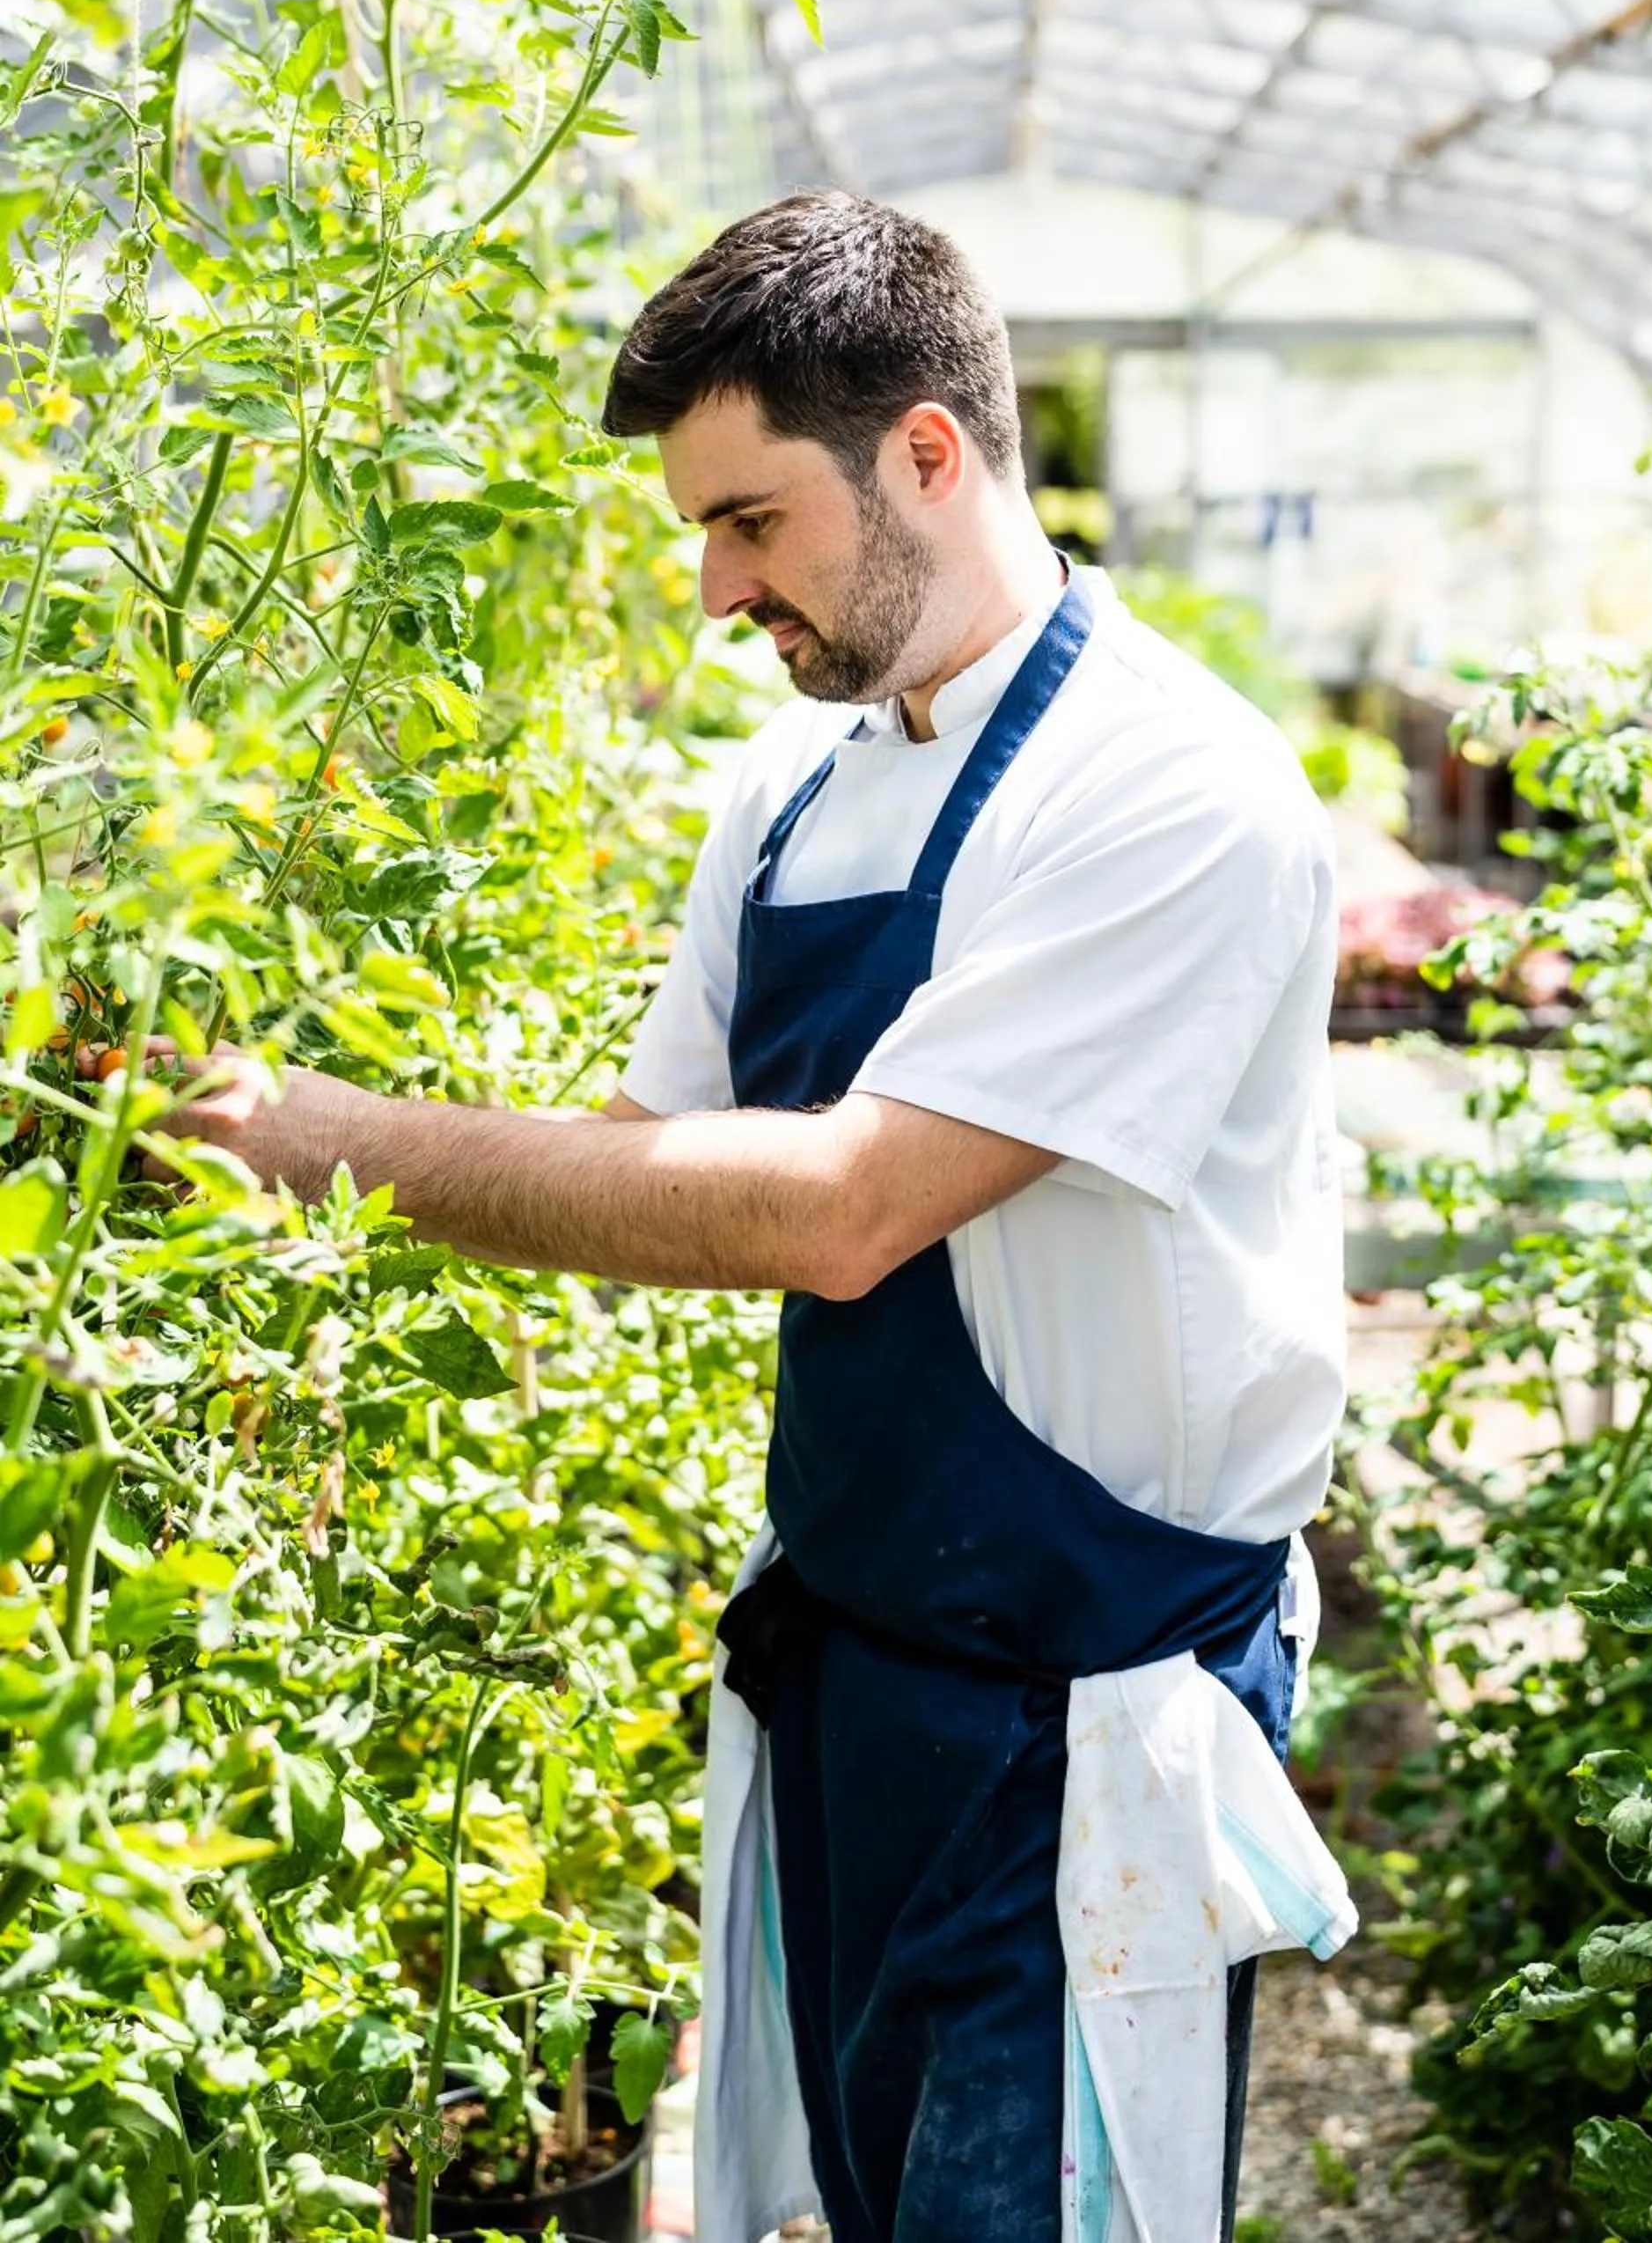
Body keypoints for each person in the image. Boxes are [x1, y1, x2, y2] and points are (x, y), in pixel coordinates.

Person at [158, 190, 1357, 2243]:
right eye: (703, 531)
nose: (716, 590)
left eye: (752, 522)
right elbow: (649, 1151)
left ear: (925, 451)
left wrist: (329, 1140)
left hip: (1084, 1724)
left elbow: (843, 1209)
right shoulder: (791, 792)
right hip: (857, 1668)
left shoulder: (1167, 790)